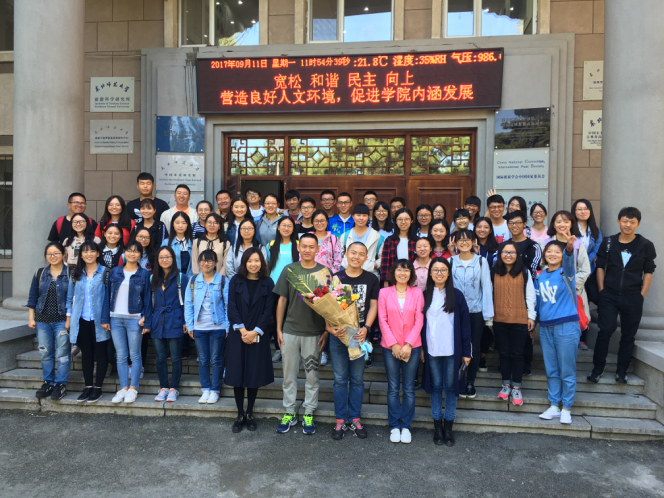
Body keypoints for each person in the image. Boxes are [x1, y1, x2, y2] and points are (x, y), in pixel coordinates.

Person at [589, 207, 657, 384]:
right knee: (605, 330)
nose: (628, 225)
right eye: (625, 221)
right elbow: (600, 267)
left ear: (638, 224)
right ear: (618, 221)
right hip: (609, 295)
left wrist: (641, 295)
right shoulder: (609, 242)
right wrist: (602, 291)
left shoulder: (645, 245)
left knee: (628, 335)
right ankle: (597, 369)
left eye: (632, 222)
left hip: (633, 296)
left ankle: (622, 371)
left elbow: (648, 272)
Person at [273, 233, 329, 435]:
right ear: (298, 247)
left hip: (314, 333)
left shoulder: (324, 272)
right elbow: (282, 301)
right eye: (304, 246)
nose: (307, 250)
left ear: (317, 249)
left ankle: (309, 412)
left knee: (312, 376)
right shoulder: (289, 269)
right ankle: (289, 412)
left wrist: (327, 330)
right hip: (290, 331)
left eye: (311, 246)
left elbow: (331, 305)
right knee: (289, 376)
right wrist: (278, 329)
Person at [328, 242, 379, 440]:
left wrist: (367, 328)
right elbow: (326, 306)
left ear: (366, 257)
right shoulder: (336, 278)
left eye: (361, 254)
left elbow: (373, 306)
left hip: (359, 336)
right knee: (340, 379)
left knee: (357, 380)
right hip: (339, 335)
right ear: (346, 254)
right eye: (353, 253)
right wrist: (329, 327)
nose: (356, 257)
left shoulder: (371, 279)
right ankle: (340, 419)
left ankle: (355, 418)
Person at [420, 257, 472, 446]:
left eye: (443, 270)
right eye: (435, 270)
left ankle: (448, 426)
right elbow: (420, 325)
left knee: (450, 387)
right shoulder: (424, 295)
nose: (439, 273)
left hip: (452, 350)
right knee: (435, 386)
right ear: (430, 273)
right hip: (432, 349)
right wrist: (422, 348)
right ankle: (437, 426)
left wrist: (466, 351)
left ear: (449, 273)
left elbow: (465, 325)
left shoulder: (457, 296)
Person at [226, 248, 275, 433]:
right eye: (249, 261)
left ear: (262, 262)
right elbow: (231, 306)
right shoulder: (235, 281)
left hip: (258, 335)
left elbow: (268, 310)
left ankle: (250, 413)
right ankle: (240, 414)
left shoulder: (268, 282)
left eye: (257, 260)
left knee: (254, 374)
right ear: (244, 263)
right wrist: (243, 330)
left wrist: (255, 332)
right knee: (238, 375)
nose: (253, 264)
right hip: (238, 334)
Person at [378, 259, 424, 444]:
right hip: (390, 346)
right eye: (399, 269)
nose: (402, 273)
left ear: (411, 273)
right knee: (393, 388)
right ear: (393, 273)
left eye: (406, 270)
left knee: (409, 389)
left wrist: (408, 344)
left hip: (412, 346)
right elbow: (382, 320)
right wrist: (394, 344)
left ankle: (406, 426)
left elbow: (419, 320)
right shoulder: (384, 292)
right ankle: (394, 426)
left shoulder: (417, 292)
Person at [536, 237, 581, 424]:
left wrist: (569, 249)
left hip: (566, 326)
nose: (552, 254)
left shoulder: (566, 272)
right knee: (551, 369)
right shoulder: (540, 275)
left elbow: (569, 260)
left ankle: (567, 408)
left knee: (567, 370)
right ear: (544, 254)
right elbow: (538, 302)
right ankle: (554, 405)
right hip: (545, 327)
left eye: (557, 252)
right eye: (549, 251)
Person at [101, 240, 152, 404]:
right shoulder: (115, 271)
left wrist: (146, 318)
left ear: (140, 254)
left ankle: (133, 388)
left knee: (135, 355)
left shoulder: (144, 274)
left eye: (136, 251)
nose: (132, 254)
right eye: (129, 250)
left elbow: (147, 298)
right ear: (124, 253)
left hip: (134, 319)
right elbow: (107, 295)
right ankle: (123, 387)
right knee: (121, 355)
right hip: (115, 318)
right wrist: (105, 318)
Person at [449, 229, 494, 398]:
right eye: (460, 240)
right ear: (455, 243)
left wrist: (488, 317)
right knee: (456, 345)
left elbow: (487, 288)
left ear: (473, 242)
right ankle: (459, 381)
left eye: (467, 239)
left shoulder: (481, 261)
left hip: (476, 311)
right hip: (455, 312)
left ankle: (470, 382)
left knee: (474, 346)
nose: (464, 242)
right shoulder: (450, 262)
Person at [491, 241, 536, 406]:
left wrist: (531, 317)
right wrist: (489, 318)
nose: (508, 255)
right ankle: (506, 385)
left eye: (512, 252)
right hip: (499, 320)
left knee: (517, 354)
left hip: (520, 319)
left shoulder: (524, 271)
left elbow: (530, 295)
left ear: (517, 255)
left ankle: (516, 387)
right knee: (504, 353)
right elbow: (489, 294)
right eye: (505, 252)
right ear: (500, 254)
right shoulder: (493, 271)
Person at [66, 242, 110, 404]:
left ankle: (98, 388)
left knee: (101, 353)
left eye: (92, 251)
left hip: (100, 321)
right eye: (85, 252)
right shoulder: (75, 274)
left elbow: (109, 298)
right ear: (81, 255)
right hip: (81, 320)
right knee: (86, 355)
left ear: (98, 253)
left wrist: (107, 319)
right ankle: (88, 386)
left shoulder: (106, 273)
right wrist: (68, 319)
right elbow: (69, 298)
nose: (89, 254)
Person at [184, 250, 230, 405]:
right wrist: (190, 325)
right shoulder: (193, 281)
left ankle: (215, 390)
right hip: (199, 327)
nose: (206, 263)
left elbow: (228, 305)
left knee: (216, 359)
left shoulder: (223, 281)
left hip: (218, 326)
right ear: (199, 262)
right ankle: (205, 389)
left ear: (216, 263)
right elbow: (188, 304)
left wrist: (227, 327)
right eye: (203, 260)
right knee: (203, 360)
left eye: (210, 260)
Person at [28, 242, 71, 401]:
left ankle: (60, 384)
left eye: (56, 253)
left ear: (63, 254)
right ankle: (48, 382)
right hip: (42, 320)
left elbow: (73, 299)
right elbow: (33, 296)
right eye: (49, 254)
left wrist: (69, 320)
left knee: (63, 354)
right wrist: (31, 318)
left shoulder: (70, 273)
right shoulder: (40, 273)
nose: (53, 256)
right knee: (45, 353)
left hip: (62, 321)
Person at [544, 211, 591, 346]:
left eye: (566, 221)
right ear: (553, 224)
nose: (562, 224)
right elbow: (543, 266)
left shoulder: (577, 243)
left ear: (571, 224)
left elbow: (585, 269)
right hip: (553, 291)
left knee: (572, 325)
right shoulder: (546, 243)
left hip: (573, 290)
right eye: (558, 221)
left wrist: (569, 284)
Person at [151, 246, 188, 403]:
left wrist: (186, 321)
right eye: (161, 257)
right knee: (160, 357)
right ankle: (164, 387)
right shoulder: (153, 278)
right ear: (157, 260)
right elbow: (149, 302)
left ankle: (174, 387)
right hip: (157, 321)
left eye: (167, 257)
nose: (164, 260)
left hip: (175, 319)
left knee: (175, 357)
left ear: (173, 258)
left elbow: (187, 302)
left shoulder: (182, 278)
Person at [267, 216, 300, 363]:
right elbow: (269, 266)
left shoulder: (298, 244)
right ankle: (278, 349)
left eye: (289, 226)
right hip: (275, 287)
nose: (286, 228)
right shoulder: (271, 245)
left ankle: (294, 349)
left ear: (293, 229)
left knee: (293, 319)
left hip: (293, 287)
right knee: (277, 320)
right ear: (278, 227)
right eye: (283, 225)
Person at [339, 204, 382, 277]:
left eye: (364, 215)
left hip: (370, 275)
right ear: (353, 216)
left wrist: (372, 265)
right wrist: (345, 264)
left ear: (368, 217)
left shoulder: (377, 236)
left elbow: (382, 258)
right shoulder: (345, 235)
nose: (361, 218)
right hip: (349, 275)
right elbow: (339, 255)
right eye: (358, 215)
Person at [380, 208, 416, 287]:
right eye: (400, 219)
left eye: (406, 219)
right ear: (395, 221)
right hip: (393, 281)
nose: (403, 222)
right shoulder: (390, 240)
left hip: (413, 281)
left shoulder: (416, 241)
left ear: (411, 221)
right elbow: (385, 263)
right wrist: (386, 281)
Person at [505, 211, 542, 279]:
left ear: (524, 224)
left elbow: (532, 270)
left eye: (518, 223)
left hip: (527, 283)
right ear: (507, 225)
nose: (514, 225)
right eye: (511, 223)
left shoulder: (533, 247)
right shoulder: (504, 246)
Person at [162, 212, 193, 276]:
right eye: (177, 223)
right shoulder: (166, 242)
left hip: (190, 277)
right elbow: (161, 261)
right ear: (173, 224)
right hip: (171, 277)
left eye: (183, 223)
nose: (180, 226)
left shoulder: (194, 242)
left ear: (188, 225)